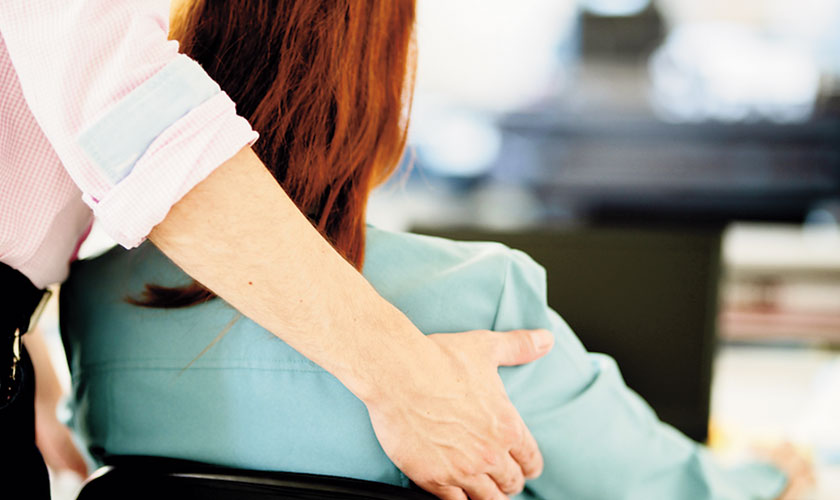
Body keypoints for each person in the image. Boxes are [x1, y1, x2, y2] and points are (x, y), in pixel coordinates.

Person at [59, 0, 811, 498]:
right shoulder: (481, 297)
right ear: (379, 83)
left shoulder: (94, 299)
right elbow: (648, 485)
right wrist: (771, 480)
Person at [0, 1, 552, 498]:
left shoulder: (97, 297)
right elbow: (131, 114)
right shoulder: (490, 287)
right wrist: (407, 381)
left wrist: (22, 345)